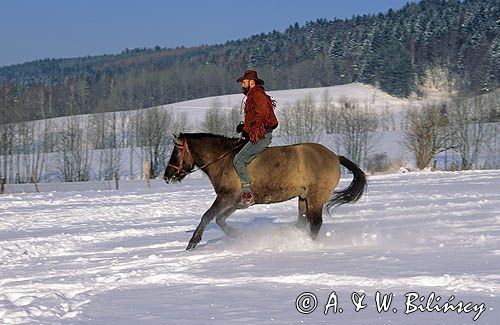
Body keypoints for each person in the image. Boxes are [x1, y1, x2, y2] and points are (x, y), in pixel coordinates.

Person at [233, 69, 278, 207]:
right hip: (258, 134)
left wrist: (247, 130)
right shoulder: (253, 95)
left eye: (244, 82)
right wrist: (245, 127)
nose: (242, 85)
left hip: (261, 136)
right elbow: (254, 117)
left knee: (238, 161)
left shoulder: (257, 94)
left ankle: (247, 195)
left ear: (251, 82)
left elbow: (261, 116)